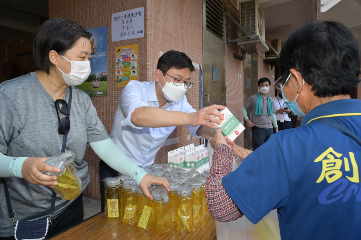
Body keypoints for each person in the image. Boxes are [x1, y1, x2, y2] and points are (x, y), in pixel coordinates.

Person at [0, 18, 168, 240]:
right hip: (24, 217)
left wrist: (139, 174)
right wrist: (19, 166)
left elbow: (104, 145)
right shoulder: (10, 96)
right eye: (82, 57)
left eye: (89, 57)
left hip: (70, 207)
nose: (88, 63)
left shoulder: (81, 100)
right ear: (54, 57)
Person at [205, 20, 361, 240]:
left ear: (297, 80)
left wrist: (221, 149)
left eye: (282, 82)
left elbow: (220, 205)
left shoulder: (288, 148)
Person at [99, 50, 226, 211]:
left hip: (147, 169)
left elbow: (198, 125)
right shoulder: (135, 89)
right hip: (116, 167)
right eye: (177, 80)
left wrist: (218, 139)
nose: (182, 87)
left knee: (140, 213)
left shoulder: (180, 101)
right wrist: (189, 117)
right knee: (113, 215)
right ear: (158, 75)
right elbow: (138, 116)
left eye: (187, 82)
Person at [242, 78, 278, 150]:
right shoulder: (253, 98)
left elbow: (273, 114)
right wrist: (247, 119)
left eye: (266, 85)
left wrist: (276, 128)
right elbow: (244, 108)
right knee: (258, 150)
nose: (264, 87)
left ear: (269, 86)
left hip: (270, 129)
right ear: (259, 86)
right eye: (262, 85)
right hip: (258, 129)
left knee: (268, 149)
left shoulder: (271, 100)